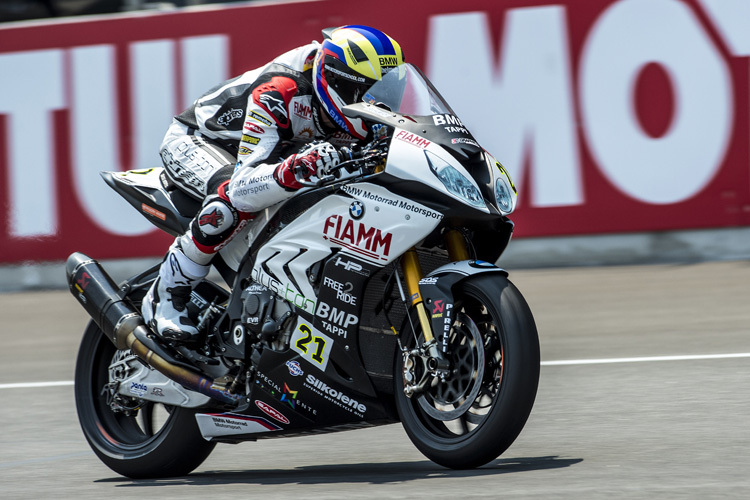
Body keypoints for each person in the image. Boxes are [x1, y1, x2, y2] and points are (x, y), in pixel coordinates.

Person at [141, 25, 405, 341]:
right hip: (201, 142)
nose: (377, 103)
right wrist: (298, 167)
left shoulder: (368, 106)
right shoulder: (280, 90)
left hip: (278, 150)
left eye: (387, 91)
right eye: (367, 93)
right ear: (335, 81)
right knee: (230, 204)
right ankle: (166, 294)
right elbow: (244, 186)